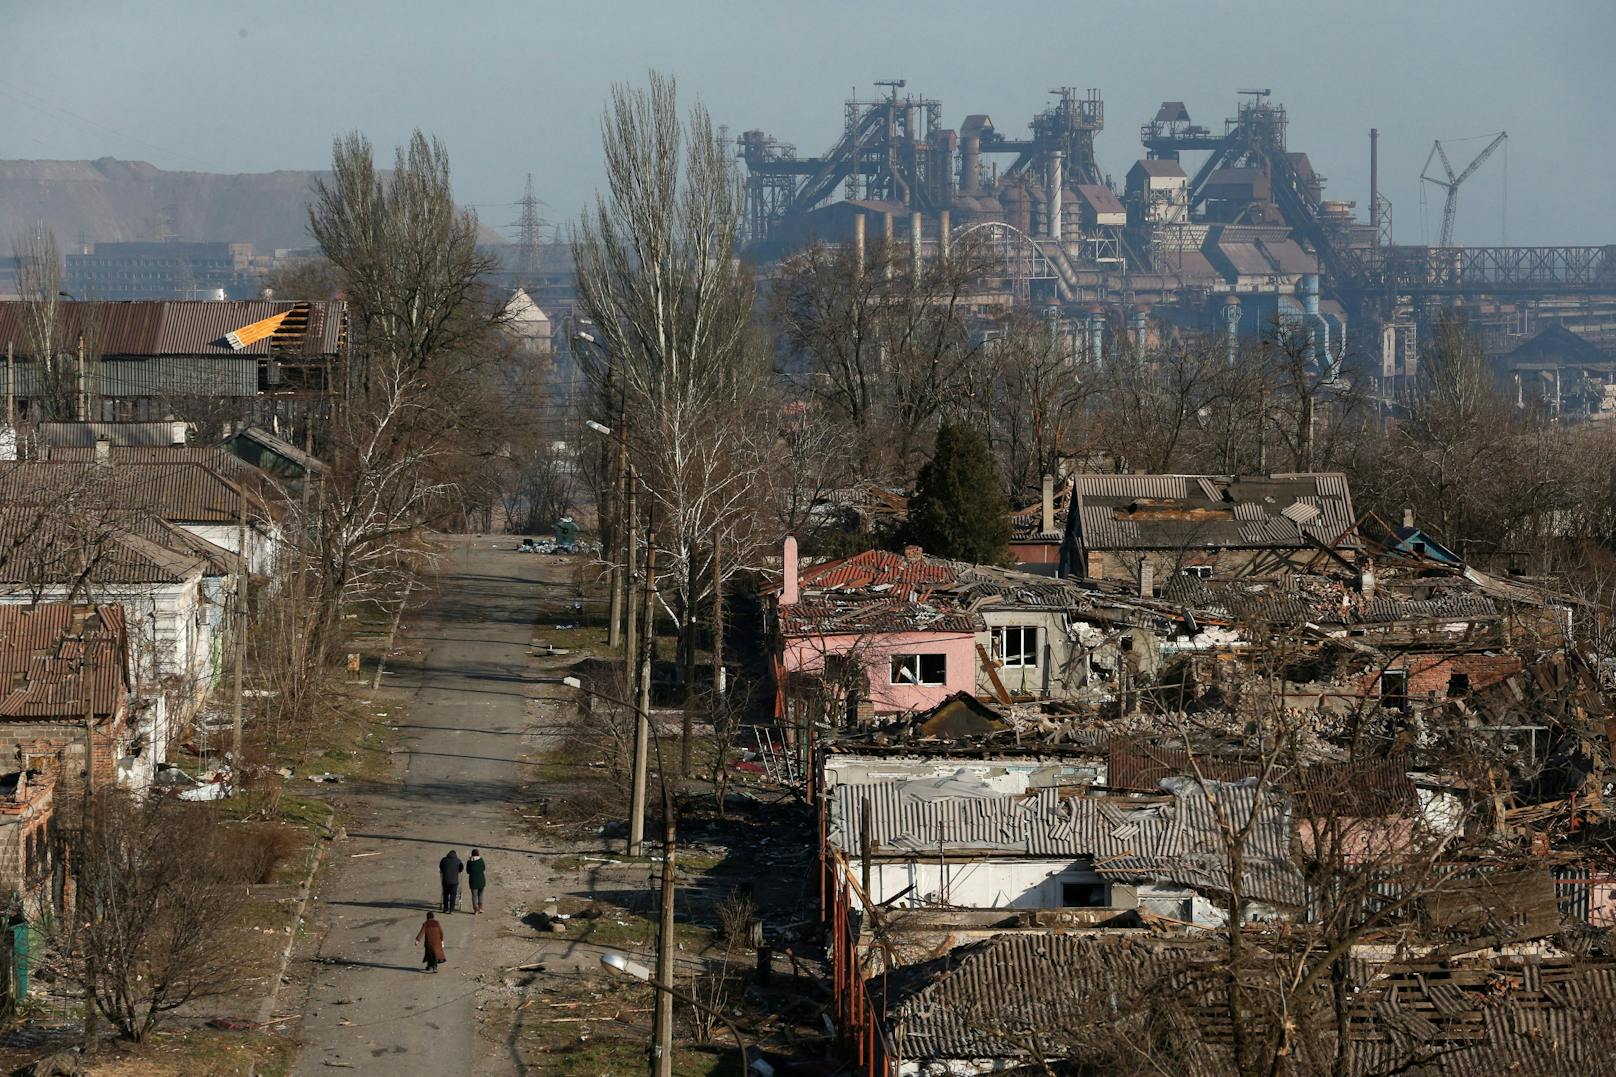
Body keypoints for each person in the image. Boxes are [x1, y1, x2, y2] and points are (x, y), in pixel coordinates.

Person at [467, 849, 487, 914]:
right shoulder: (481, 860)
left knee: (474, 896)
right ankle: (480, 908)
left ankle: (475, 909)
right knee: (480, 895)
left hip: (473, 882)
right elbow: (483, 868)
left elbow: (468, 871)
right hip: (481, 881)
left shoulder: (469, 862)